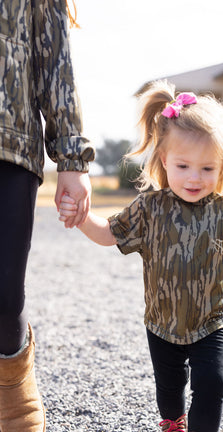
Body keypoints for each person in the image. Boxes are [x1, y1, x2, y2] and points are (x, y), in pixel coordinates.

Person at [59, 80, 223, 432]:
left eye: (207, 169)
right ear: (164, 160)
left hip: (211, 322)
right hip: (161, 324)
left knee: (213, 383)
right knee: (169, 389)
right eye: (183, 166)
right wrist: (81, 218)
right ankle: (173, 420)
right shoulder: (150, 208)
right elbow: (109, 233)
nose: (195, 178)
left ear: (222, 166)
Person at [0, 0, 95, 430]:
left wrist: (72, 158)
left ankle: (10, 382)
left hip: (10, 141)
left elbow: (54, 52)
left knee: (4, 296)